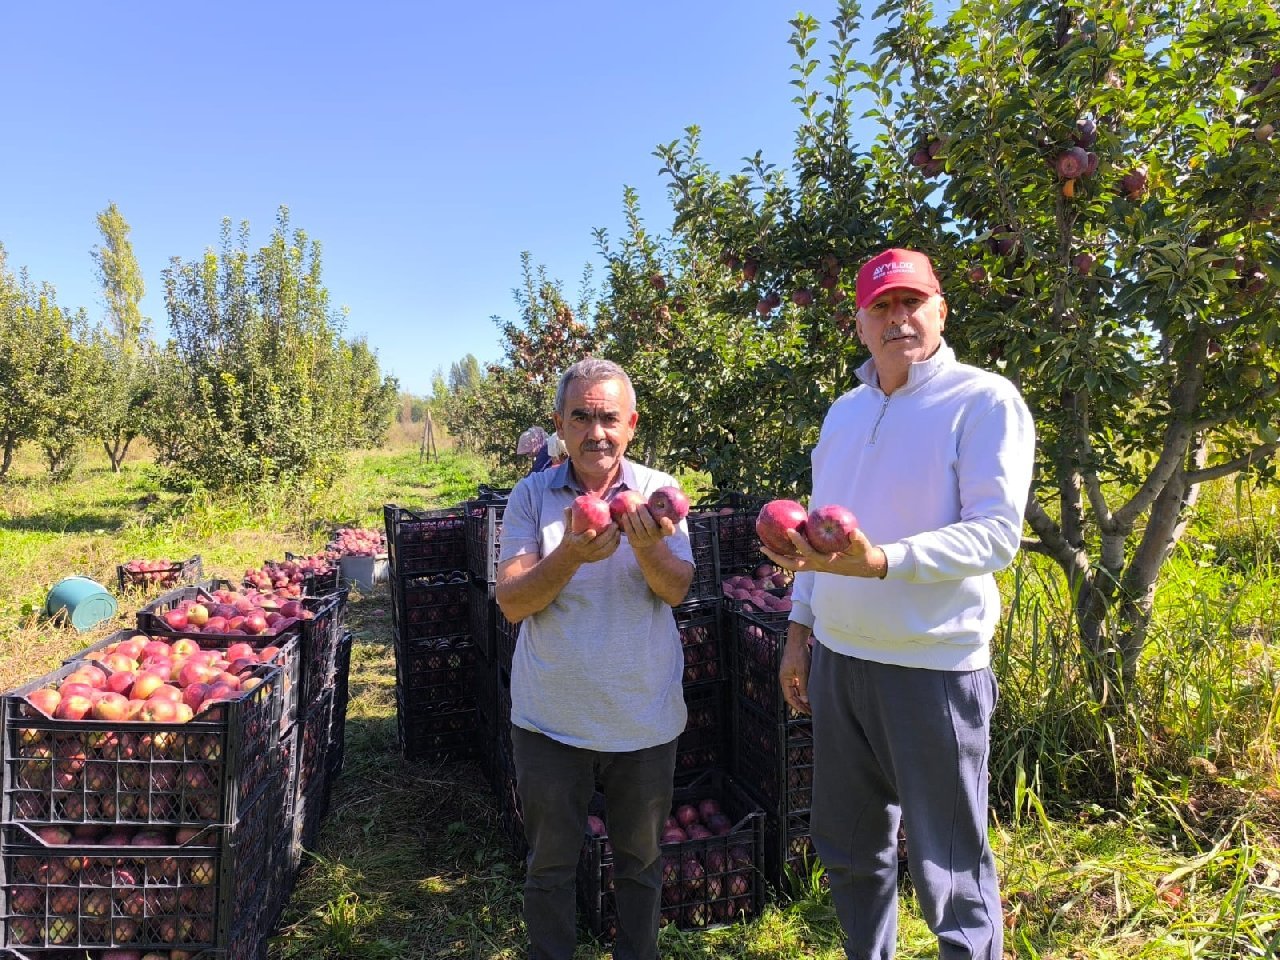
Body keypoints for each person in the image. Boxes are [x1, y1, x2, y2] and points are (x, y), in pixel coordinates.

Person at [766, 248, 1036, 960]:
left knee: (950, 868)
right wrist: (800, 629)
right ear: (860, 324)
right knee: (851, 849)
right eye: (882, 307)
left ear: (940, 310)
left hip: (933, 667)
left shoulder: (982, 400)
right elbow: (822, 539)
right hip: (843, 662)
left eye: (912, 302)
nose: (898, 318)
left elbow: (995, 535)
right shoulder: (845, 413)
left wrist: (884, 561)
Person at [495, 357, 694, 960]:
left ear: (631, 424)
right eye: (580, 417)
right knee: (550, 867)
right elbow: (512, 601)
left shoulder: (659, 498)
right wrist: (573, 557)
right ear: (559, 424)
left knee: (640, 865)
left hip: (644, 716)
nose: (595, 431)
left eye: (608, 417)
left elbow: (677, 589)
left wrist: (646, 550)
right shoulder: (531, 497)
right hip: (551, 719)